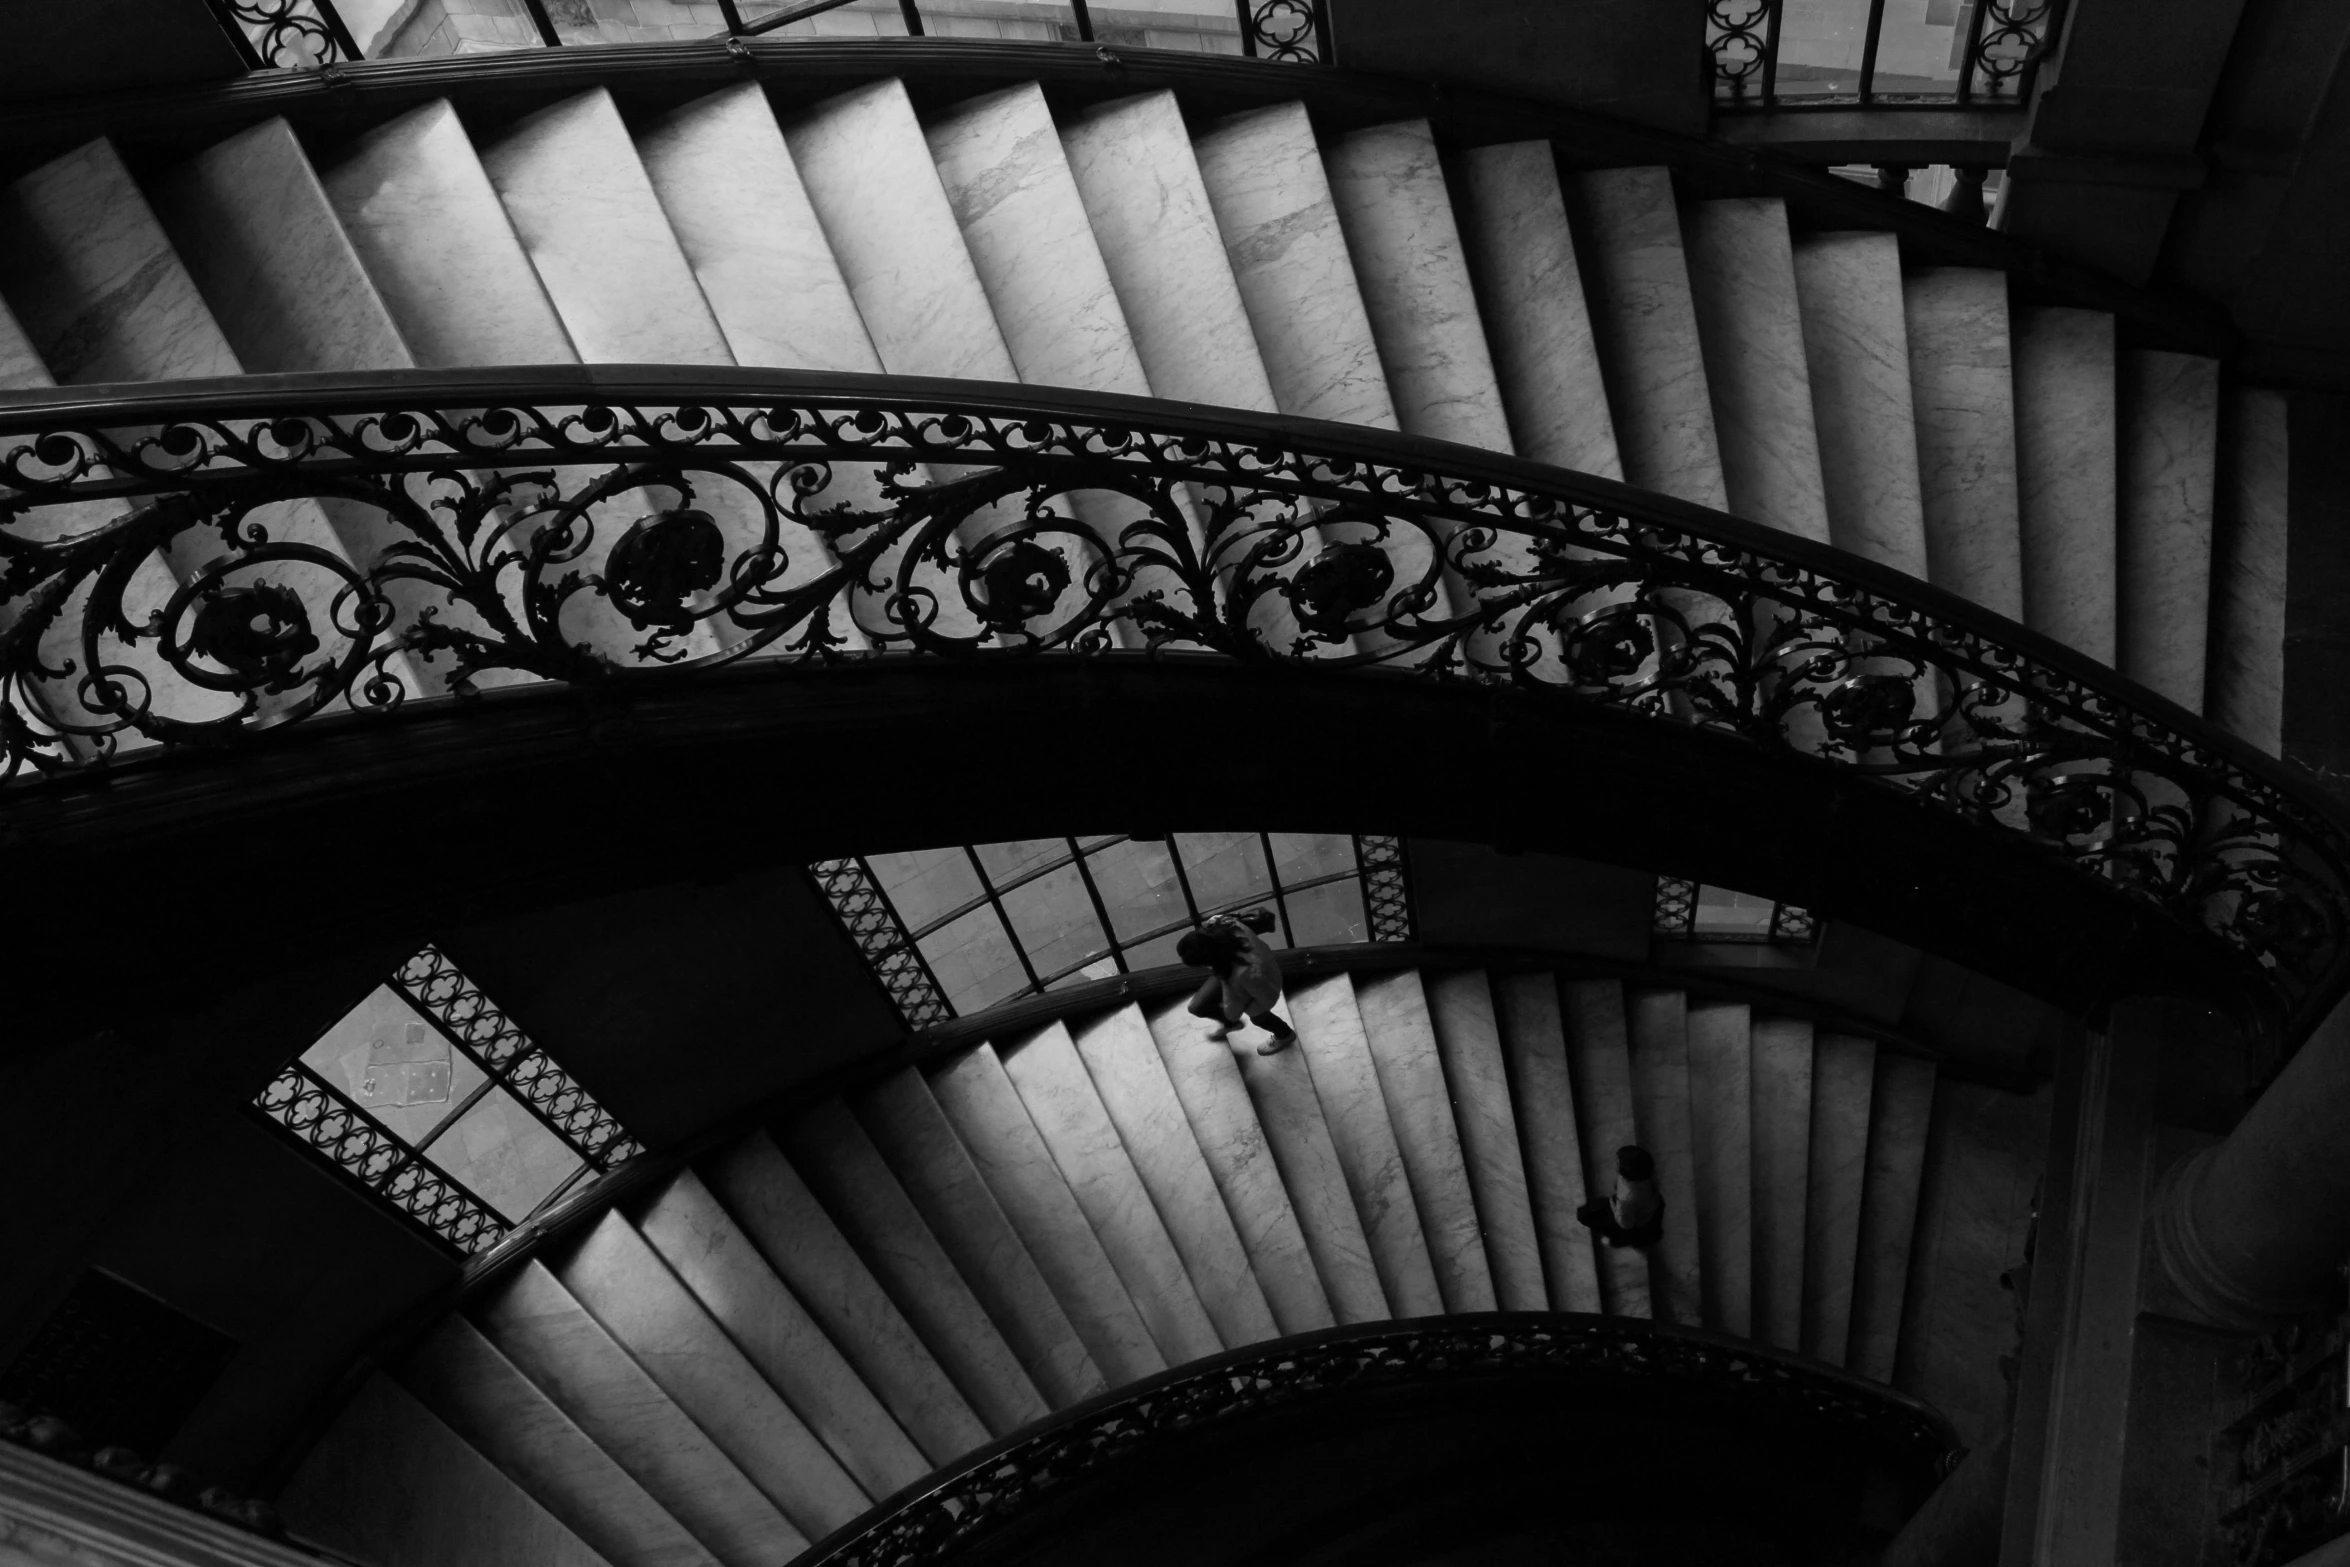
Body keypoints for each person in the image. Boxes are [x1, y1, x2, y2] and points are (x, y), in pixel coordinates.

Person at [1177, 907, 1297, 1055]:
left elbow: (1266, 998)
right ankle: (1231, 1023)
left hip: (1262, 980)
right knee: (1197, 1007)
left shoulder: (1247, 973)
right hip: (1234, 970)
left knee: (1260, 1018)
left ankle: (1285, 1034)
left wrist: (1250, 1010)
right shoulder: (1226, 925)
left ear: (1209, 959)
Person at [1576, 1145, 1663, 1251]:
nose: (1615, 1163)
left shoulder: (1627, 1199)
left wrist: (1615, 1207)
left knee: (1587, 1215)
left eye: (1619, 1162)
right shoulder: (1647, 1174)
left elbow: (1625, 1224)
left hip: (1634, 1216)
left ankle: (1619, 1241)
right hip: (1651, 1205)